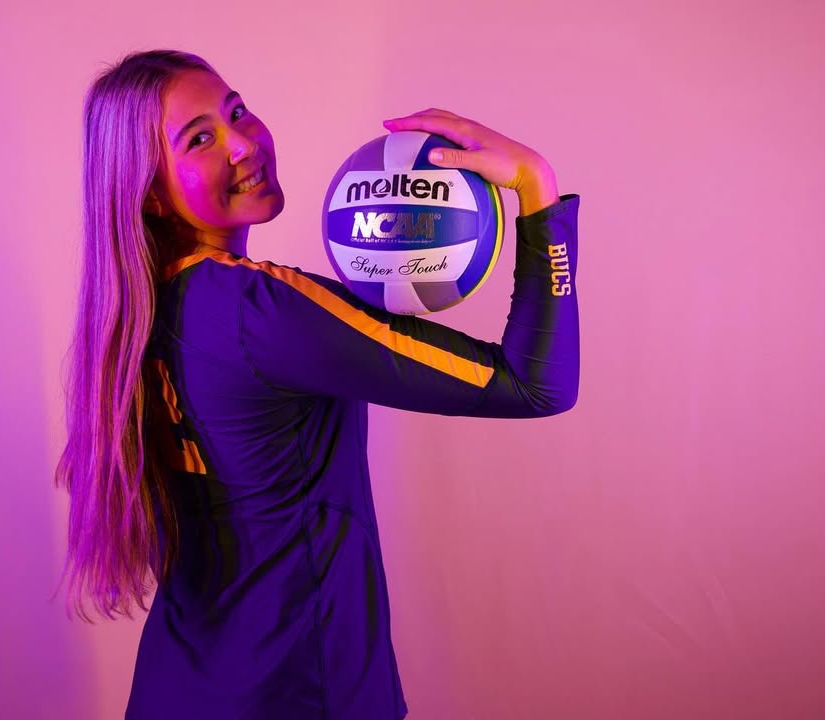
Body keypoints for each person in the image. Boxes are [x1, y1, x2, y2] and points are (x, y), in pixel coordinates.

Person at [55, 48, 581, 720]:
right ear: (151, 192)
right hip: (299, 693)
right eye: (200, 139)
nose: (243, 143)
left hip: (177, 690)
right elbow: (535, 384)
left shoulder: (129, 316)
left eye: (237, 111)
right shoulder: (258, 311)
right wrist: (536, 189)